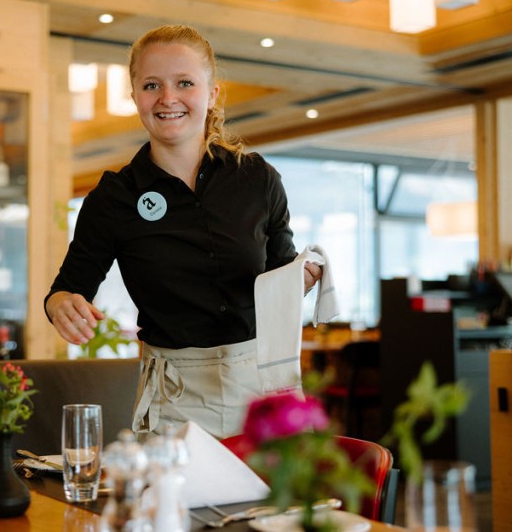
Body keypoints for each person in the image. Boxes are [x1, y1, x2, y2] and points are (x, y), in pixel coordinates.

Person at [44, 24, 321, 439]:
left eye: (185, 83)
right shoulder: (114, 198)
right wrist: (62, 304)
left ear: (211, 93)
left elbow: (281, 276)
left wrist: (304, 278)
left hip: (261, 387)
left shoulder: (257, 179)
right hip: (174, 398)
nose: (167, 98)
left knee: (269, 506)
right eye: (151, 84)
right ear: (135, 94)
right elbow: (66, 290)